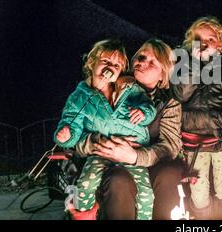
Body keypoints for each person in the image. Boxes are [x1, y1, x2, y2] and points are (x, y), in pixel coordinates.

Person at [75, 38, 183, 220]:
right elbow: (75, 140)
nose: (142, 63)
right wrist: (101, 143)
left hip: (151, 163)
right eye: (141, 57)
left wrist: (135, 156)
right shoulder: (105, 89)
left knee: (169, 174)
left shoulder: (168, 103)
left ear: (162, 75)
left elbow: (170, 147)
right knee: (119, 180)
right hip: (111, 164)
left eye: (152, 63)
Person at [54, 39, 156, 219]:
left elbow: (148, 106)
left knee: (146, 192)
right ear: (91, 63)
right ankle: (84, 215)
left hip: (133, 150)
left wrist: (143, 112)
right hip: (101, 153)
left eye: (116, 65)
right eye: (106, 62)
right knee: (86, 183)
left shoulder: (129, 88)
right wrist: (66, 135)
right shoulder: (80, 96)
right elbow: (71, 122)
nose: (111, 67)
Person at [172, 16, 222, 220]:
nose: (203, 44)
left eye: (210, 40)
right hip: (193, 139)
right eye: (198, 39)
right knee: (199, 189)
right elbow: (181, 95)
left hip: (220, 139)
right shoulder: (183, 65)